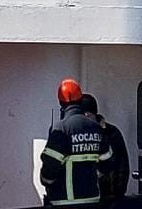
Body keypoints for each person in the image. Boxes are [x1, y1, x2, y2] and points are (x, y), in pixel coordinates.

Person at [40, 78, 112, 206]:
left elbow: (50, 169)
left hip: (64, 200)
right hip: (92, 199)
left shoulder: (61, 129)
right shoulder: (96, 127)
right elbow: (107, 163)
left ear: (61, 103)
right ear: (80, 100)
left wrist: (46, 181)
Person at [79, 93, 130, 203]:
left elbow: (122, 166)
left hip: (108, 196)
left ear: (87, 115)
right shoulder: (78, 135)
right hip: (86, 196)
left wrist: (117, 194)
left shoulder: (111, 133)